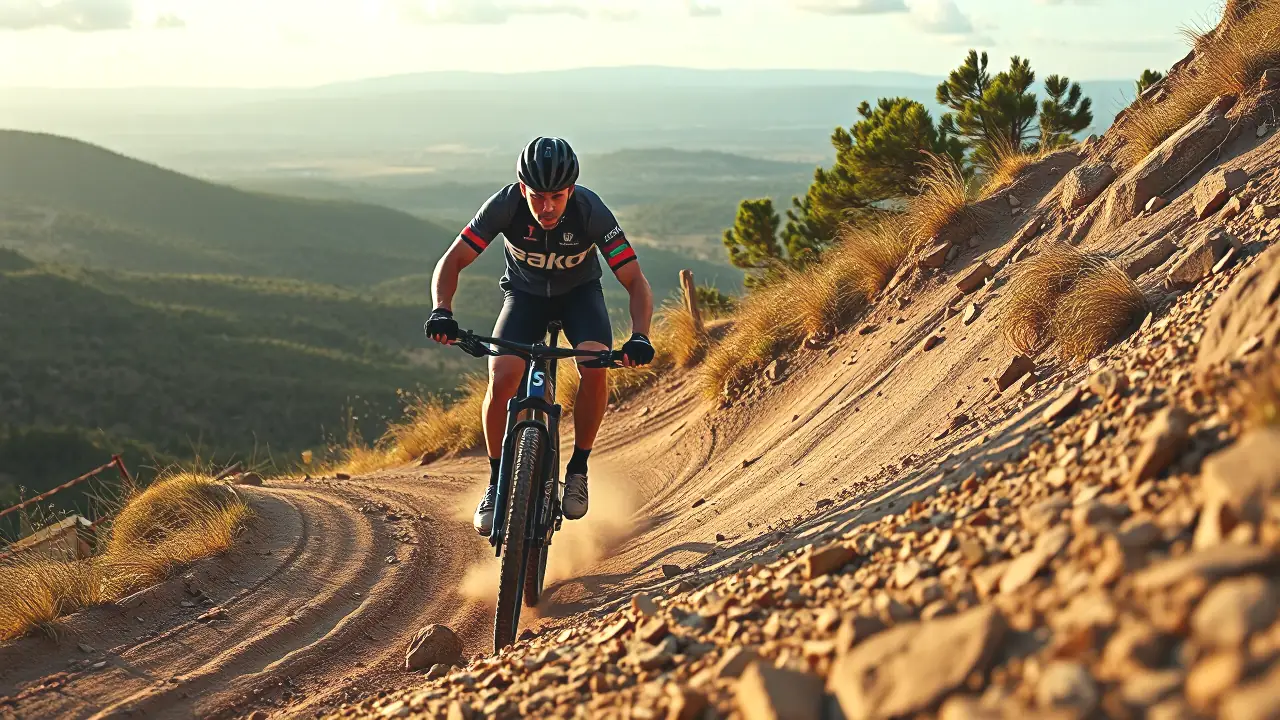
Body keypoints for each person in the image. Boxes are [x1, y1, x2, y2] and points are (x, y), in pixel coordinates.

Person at [425, 137, 655, 536]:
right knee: (503, 378)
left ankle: (578, 470)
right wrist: (442, 310)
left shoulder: (590, 211)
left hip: (580, 298)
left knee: (593, 367)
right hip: (524, 297)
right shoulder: (505, 206)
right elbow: (452, 260)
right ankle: (498, 483)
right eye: (537, 196)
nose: (547, 207)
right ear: (521, 189)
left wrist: (640, 336)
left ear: (571, 191)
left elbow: (634, 279)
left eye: (557, 196)